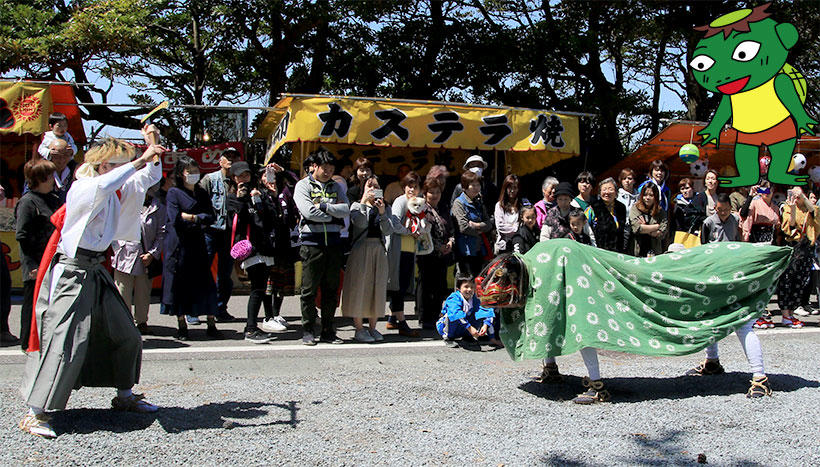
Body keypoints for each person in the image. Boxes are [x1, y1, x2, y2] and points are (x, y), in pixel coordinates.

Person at [479, 240, 791, 403]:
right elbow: (548, 314)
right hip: (699, 272)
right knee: (711, 310)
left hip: (711, 272)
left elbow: (571, 325)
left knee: (736, 319)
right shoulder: (543, 260)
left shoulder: (549, 261)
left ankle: (759, 378)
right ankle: (714, 363)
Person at [20, 135, 164, 439]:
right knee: (63, 341)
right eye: (119, 164)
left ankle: (124, 396)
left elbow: (150, 174)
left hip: (97, 269)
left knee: (126, 333)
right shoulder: (85, 186)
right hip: (72, 272)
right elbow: (109, 182)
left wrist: (154, 145)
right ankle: (35, 412)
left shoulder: (117, 190)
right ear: (103, 165)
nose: (127, 169)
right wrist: (140, 158)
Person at [684, 193, 771, 397]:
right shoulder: (707, 223)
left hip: (733, 276)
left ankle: (760, 376)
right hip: (713, 277)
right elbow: (703, 248)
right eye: (719, 210)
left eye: (725, 210)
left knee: (743, 323)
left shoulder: (735, 221)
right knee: (711, 318)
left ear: (730, 209)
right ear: (715, 208)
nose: (722, 213)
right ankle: (712, 361)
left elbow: (740, 242)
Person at [294, 149, 350, 345]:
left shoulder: (336, 186)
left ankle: (328, 330)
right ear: (314, 167)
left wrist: (325, 208)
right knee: (308, 289)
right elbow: (308, 211)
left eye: (331, 168)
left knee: (331, 289)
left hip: (334, 243)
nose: (328, 172)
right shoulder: (303, 185)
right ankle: (308, 329)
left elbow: (346, 209)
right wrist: (333, 215)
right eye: (324, 168)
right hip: (312, 243)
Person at [163, 156, 222, 340]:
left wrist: (192, 217)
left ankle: (211, 323)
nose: (194, 175)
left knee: (206, 284)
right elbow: (175, 219)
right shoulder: (174, 193)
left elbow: (211, 216)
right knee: (180, 286)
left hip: (198, 243)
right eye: (190, 171)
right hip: (179, 245)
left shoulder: (201, 192)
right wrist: (196, 219)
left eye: (196, 171)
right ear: (182, 174)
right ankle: (182, 325)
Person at [229, 162, 284, 343]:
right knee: (257, 289)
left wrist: (267, 197)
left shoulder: (261, 194)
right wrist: (241, 198)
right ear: (233, 178)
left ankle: (253, 327)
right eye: (239, 176)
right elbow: (235, 221)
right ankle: (251, 329)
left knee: (261, 289)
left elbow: (271, 218)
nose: (243, 179)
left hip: (266, 247)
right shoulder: (233, 197)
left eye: (246, 175)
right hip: (250, 249)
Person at [111, 174, 167, 336]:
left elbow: (162, 233)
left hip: (146, 256)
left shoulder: (159, 208)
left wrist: (152, 253)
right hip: (124, 253)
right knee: (122, 291)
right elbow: (113, 228)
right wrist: (118, 248)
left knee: (143, 292)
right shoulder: (123, 204)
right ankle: (123, 322)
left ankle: (141, 321)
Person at [14, 159, 61, 349]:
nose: (53, 179)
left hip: (53, 259)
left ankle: (46, 340)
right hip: (35, 262)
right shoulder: (27, 202)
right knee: (32, 303)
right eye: (50, 176)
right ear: (41, 178)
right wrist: (32, 264)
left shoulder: (55, 199)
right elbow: (22, 235)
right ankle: (28, 342)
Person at [343, 176, 395, 342]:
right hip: (361, 249)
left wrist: (381, 212)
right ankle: (359, 328)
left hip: (378, 250)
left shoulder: (384, 207)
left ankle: (373, 328)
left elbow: (387, 230)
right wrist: (365, 204)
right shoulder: (356, 206)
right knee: (360, 288)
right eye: (369, 186)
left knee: (377, 287)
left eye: (376, 186)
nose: (372, 189)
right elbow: (360, 224)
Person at [198, 148, 243, 323]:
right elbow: (198, 202)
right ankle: (194, 310)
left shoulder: (240, 180)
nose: (231, 160)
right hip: (211, 231)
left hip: (230, 234)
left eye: (234, 156)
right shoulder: (210, 179)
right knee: (202, 271)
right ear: (220, 161)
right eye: (227, 157)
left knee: (225, 275)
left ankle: (220, 309)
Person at [775, 186, 819, 329]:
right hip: (793, 247)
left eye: (799, 194)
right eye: (794, 193)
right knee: (787, 280)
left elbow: (815, 214)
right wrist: (793, 208)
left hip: (807, 247)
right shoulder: (787, 206)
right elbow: (789, 225)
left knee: (801, 281)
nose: (797, 196)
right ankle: (785, 315)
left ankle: (791, 313)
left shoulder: (809, 208)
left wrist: (804, 198)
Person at [738, 181, 780, 328]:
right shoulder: (755, 203)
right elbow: (743, 215)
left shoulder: (775, 207)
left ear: (773, 190)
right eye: (764, 188)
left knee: (767, 280)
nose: (766, 191)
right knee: (756, 278)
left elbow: (778, 228)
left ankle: (763, 309)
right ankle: (755, 312)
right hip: (756, 244)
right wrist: (750, 196)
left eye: (769, 188)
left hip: (770, 245)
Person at [386, 171, 423, 337]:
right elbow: (394, 224)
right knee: (398, 285)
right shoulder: (400, 202)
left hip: (410, 249)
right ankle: (402, 322)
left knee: (402, 283)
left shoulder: (419, 202)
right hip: (398, 249)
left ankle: (392, 318)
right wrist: (409, 232)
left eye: (415, 187)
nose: (412, 190)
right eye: (409, 186)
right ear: (404, 187)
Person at [416, 178, 455, 330]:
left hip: (443, 254)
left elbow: (450, 229)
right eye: (431, 192)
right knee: (425, 285)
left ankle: (436, 314)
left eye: (437, 192)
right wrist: (438, 246)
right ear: (425, 193)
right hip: (427, 252)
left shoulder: (443, 208)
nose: (435, 195)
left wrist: (450, 242)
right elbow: (422, 232)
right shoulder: (421, 209)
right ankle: (424, 317)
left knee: (440, 285)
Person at [437, 275, 501, 348]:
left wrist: (486, 327)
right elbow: (456, 314)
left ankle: (468, 336)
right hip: (449, 327)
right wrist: (470, 328)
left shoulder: (475, 299)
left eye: (472, 287)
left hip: (465, 328)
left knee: (480, 313)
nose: (469, 289)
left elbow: (487, 311)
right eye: (466, 287)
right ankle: (448, 338)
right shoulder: (453, 298)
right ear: (458, 288)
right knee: (452, 316)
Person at [452, 170, 493, 278]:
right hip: (466, 250)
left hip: (479, 248)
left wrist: (477, 225)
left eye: (478, 185)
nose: (476, 187)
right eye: (472, 185)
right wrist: (481, 228)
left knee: (479, 279)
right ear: (465, 187)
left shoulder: (479, 201)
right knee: (467, 280)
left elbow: (489, 224)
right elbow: (463, 227)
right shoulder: (459, 203)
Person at [629, 183, 668, 257]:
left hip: (654, 251)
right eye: (645, 195)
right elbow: (637, 228)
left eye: (651, 195)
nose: (647, 198)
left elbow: (662, 232)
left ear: (656, 197)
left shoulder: (661, 212)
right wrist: (656, 226)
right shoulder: (635, 208)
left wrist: (645, 227)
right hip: (637, 251)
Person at [590, 177, 627, 253]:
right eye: (604, 189)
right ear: (600, 192)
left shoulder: (621, 207)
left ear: (616, 192)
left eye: (610, 189)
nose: (607, 192)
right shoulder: (593, 207)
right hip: (600, 251)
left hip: (618, 251)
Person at [494, 174, 527, 254]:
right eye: (509, 187)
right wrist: (515, 228)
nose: (512, 190)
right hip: (504, 246)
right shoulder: (499, 206)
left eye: (515, 187)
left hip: (520, 244)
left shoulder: (523, 203)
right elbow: (500, 226)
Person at [671, 178, 707, 247]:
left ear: (692, 188)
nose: (685, 191)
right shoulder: (677, 203)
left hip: (696, 235)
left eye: (687, 188)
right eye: (682, 189)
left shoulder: (700, 200)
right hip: (681, 235)